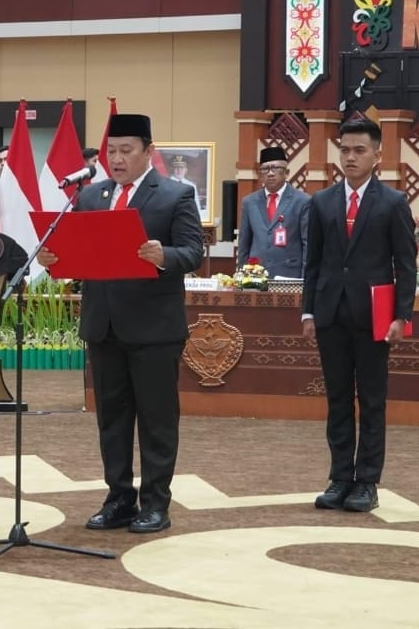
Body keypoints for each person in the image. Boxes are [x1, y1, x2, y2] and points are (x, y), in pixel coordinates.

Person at [38, 114, 204, 533]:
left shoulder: (174, 195)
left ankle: (155, 503)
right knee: (111, 420)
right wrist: (53, 258)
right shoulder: (91, 196)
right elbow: (79, 254)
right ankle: (118, 498)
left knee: (156, 419)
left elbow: (193, 251)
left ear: (149, 152)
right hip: (103, 325)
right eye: (111, 151)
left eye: (126, 150)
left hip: (154, 329)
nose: (116, 158)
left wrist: (163, 255)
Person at [302, 116, 417, 513]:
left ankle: (367, 480)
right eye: (345, 149)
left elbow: (406, 264)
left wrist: (403, 316)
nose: (350, 157)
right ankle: (339, 477)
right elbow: (312, 262)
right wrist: (307, 311)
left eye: (359, 150)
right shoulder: (321, 202)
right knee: (336, 400)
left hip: (375, 317)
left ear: (377, 155)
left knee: (371, 400)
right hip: (331, 312)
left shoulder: (393, 203)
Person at [236, 146, 310, 279]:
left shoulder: (302, 201)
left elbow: (307, 244)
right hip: (255, 275)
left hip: (289, 275)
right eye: (265, 169)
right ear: (260, 174)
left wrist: (305, 279)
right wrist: (241, 276)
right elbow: (244, 244)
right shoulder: (249, 202)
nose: (270, 173)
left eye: (276, 168)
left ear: (287, 172)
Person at [167, 154, 205, 219]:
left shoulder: (191, 185)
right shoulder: (166, 184)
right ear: (172, 169)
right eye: (176, 168)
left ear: (186, 170)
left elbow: (196, 206)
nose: (179, 170)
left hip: (187, 219)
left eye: (182, 168)